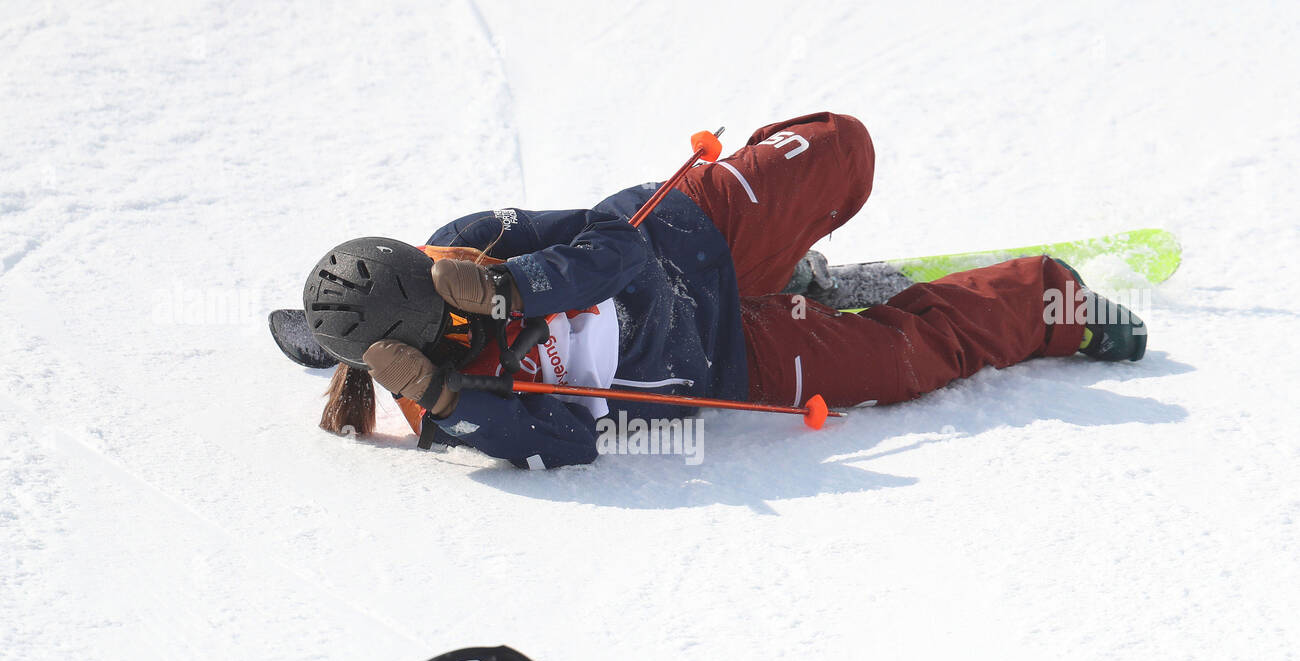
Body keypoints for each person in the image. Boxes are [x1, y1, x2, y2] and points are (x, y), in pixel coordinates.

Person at [308, 111, 1145, 469]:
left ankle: (788, 269)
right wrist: (452, 398)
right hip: (725, 362)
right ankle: (1048, 305)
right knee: (907, 359)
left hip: (687, 234)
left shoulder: (467, 240)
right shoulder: (441, 400)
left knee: (839, 145)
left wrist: (510, 287)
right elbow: (568, 443)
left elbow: (615, 243)